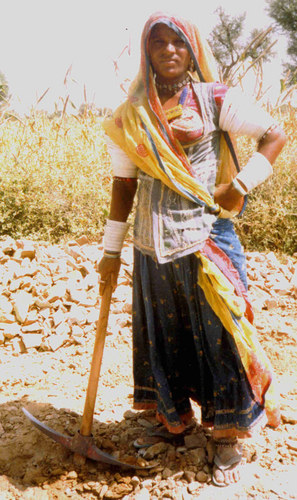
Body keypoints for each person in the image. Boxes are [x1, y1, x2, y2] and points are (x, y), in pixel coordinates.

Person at [98, 12, 286, 487]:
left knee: (219, 333)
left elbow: (274, 134)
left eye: (177, 42)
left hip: (204, 239)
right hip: (151, 245)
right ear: (147, 53)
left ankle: (226, 433)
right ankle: (172, 421)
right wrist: (111, 250)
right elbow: (124, 185)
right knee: (164, 335)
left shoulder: (215, 98)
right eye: (157, 43)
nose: (168, 51)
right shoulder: (131, 115)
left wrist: (240, 184)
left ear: (192, 48)